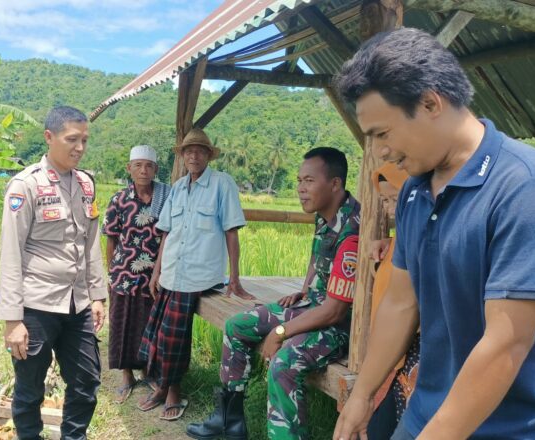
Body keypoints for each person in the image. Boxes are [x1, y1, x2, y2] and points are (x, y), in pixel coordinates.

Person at [333, 27, 535, 440]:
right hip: (426, 413)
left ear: (431, 102)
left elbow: (505, 345)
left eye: (383, 133)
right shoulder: (416, 189)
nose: (379, 152)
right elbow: (401, 301)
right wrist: (362, 392)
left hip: (513, 427)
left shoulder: (526, 187)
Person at [187, 147, 361, 440]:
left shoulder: (352, 233)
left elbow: (334, 311)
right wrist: (305, 289)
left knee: (284, 363)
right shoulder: (325, 213)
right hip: (313, 306)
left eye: (308, 181)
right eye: (298, 181)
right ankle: (229, 420)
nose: (300, 189)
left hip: (339, 327)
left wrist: (281, 331)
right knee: (237, 325)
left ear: (335, 184)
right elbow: (317, 256)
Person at [0, 106, 107, 440]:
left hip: (78, 304)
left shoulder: (86, 184)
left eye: (85, 140)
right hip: (37, 305)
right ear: (49, 137)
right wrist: (13, 320)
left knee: (86, 380)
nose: (80, 147)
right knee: (30, 387)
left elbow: (91, 243)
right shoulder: (25, 186)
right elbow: (11, 254)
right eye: (72, 139)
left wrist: (98, 294)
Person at [137, 127, 256, 421]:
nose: (193, 155)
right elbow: (167, 235)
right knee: (157, 335)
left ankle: (173, 391)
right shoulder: (177, 188)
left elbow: (231, 231)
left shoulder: (221, 184)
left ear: (207, 155)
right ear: (183, 156)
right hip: (170, 275)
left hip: (198, 276)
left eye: (200, 151)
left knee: (173, 339)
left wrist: (235, 278)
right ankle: (162, 387)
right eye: (189, 151)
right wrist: (155, 272)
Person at [102, 145, 171, 404]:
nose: (143, 170)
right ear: (129, 168)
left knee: (149, 324)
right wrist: (112, 272)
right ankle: (127, 376)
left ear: (155, 170)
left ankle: (147, 371)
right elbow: (111, 239)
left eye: (149, 166)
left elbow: (169, 234)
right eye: (138, 165)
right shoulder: (119, 200)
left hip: (155, 276)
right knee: (122, 324)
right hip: (123, 273)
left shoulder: (165, 198)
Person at [365, 163, 420, 439]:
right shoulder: (398, 241)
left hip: (410, 354)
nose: (389, 209)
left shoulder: (422, 239)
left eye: (396, 199)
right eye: (386, 201)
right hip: (389, 351)